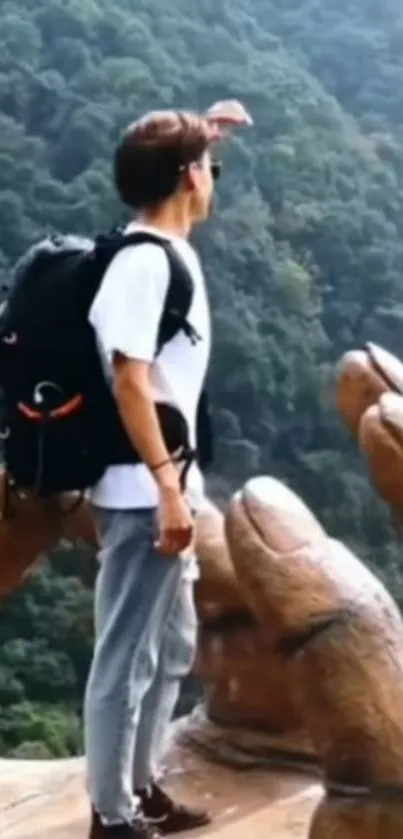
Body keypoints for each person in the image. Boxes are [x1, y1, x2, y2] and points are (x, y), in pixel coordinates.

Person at [84, 108, 223, 839]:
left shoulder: (165, 249)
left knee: (169, 649)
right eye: (207, 166)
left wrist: (205, 131)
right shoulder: (142, 264)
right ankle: (111, 816)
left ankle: (140, 788)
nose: (213, 178)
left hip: (168, 487)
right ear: (184, 178)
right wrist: (169, 489)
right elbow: (129, 380)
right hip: (146, 495)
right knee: (125, 658)